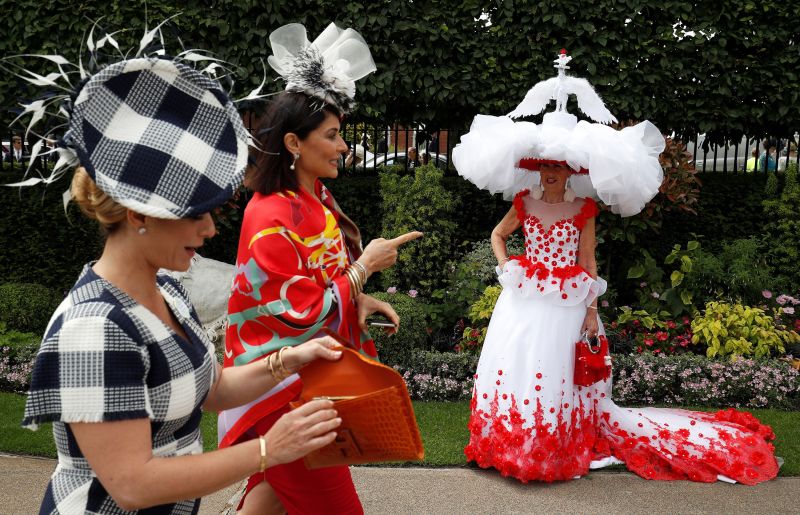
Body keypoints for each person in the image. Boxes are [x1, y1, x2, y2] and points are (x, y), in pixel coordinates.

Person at [18, 29, 347, 514]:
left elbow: (211, 388)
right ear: (138, 215)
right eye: (195, 213)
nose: (212, 228)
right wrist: (266, 451)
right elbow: (133, 484)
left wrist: (292, 357)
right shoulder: (94, 328)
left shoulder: (167, 290)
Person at [453, 50, 779, 485]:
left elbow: (588, 261)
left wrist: (591, 311)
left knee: (556, 369)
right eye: (546, 166)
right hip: (524, 296)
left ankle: (554, 443)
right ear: (537, 169)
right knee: (515, 362)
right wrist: (508, 268)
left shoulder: (584, 207)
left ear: (570, 172)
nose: (551, 173)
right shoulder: (523, 202)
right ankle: (515, 440)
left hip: (568, 301)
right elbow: (497, 236)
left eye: (558, 167)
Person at [219, 23, 422, 514]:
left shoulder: (315, 199)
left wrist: (361, 297)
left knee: (270, 497)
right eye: (332, 136)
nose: (343, 146)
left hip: (302, 384)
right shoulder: (269, 213)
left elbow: (315, 281)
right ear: (294, 142)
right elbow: (299, 309)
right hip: (278, 387)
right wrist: (365, 268)